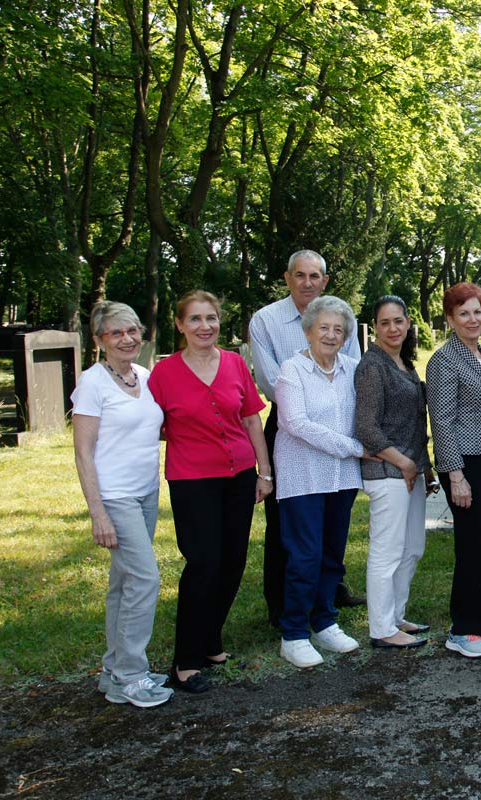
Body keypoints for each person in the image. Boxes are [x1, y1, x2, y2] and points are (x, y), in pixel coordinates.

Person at [148, 290, 272, 694]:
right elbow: (152, 426)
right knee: (203, 563)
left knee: (234, 560)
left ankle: (211, 640)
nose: (206, 327)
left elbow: (253, 420)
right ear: (181, 325)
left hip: (239, 476)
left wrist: (264, 472)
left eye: (212, 318)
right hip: (192, 479)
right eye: (196, 319)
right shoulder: (163, 375)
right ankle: (186, 659)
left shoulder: (236, 363)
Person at [249, 250, 363, 630]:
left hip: (338, 421)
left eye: (315, 276)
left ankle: (326, 598)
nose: (308, 282)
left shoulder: (340, 316)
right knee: (287, 525)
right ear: (288, 278)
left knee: (331, 522)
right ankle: (282, 606)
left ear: (325, 280)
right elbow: (269, 381)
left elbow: (353, 372)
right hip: (287, 423)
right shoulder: (265, 320)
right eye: (300, 275)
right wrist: (305, 395)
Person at [72, 302, 173, 708]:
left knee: (124, 582)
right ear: (99, 340)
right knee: (146, 579)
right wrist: (98, 513)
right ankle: (132, 675)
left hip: (146, 492)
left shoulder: (145, 377)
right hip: (114, 496)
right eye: (116, 333)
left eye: (132, 330)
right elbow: (83, 452)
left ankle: (113, 671)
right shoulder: (93, 383)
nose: (128, 338)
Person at [274, 295, 374, 668]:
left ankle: (324, 621)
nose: (331, 335)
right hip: (304, 476)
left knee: (332, 553)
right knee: (305, 554)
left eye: (338, 329)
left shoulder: (352, 368)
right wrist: (353, 448)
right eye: (324, 328)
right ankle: (294, 633)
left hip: (341, 478)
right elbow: (295, 424)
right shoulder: (292, 370)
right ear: (308, 330)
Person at [426, 283, 481, 658]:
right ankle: (462, 629)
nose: (472, 319)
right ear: (450, 319)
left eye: (477, 312)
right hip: (462, 463)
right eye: (463, 313)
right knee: (469, 543)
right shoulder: (444, 361)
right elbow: (441, 422)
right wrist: (455, 475)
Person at [355, 296, 439, 650]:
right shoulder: (372, 366)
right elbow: (366, 427)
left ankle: (396, 616)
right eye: (385, 322)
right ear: (375, 326)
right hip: (389, 472)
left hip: (413, 469)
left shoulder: (404, 363)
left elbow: (416, 424)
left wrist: (425, 467)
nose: (393, 328)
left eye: (398, 321)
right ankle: (381, 628)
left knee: (412, 549)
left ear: (408, 324)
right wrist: (404, 462)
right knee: (387, 552)